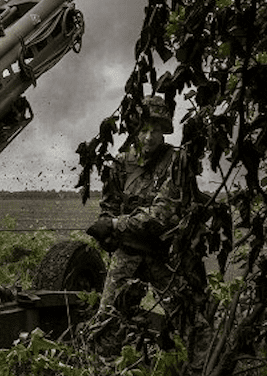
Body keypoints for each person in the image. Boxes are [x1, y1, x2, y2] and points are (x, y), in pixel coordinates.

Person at [84, 95, 179, 352]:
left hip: (164, 255)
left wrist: (116, 224)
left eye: (156, 130)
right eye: (144, 129)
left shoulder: (176, 163)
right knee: (107, 324)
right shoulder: (122, 162)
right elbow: (110, 203)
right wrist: (107, 230)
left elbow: (161, 215)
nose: (149, 137)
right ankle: (103, 367)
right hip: (127, 253)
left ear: (165, 132)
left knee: (188, 320)